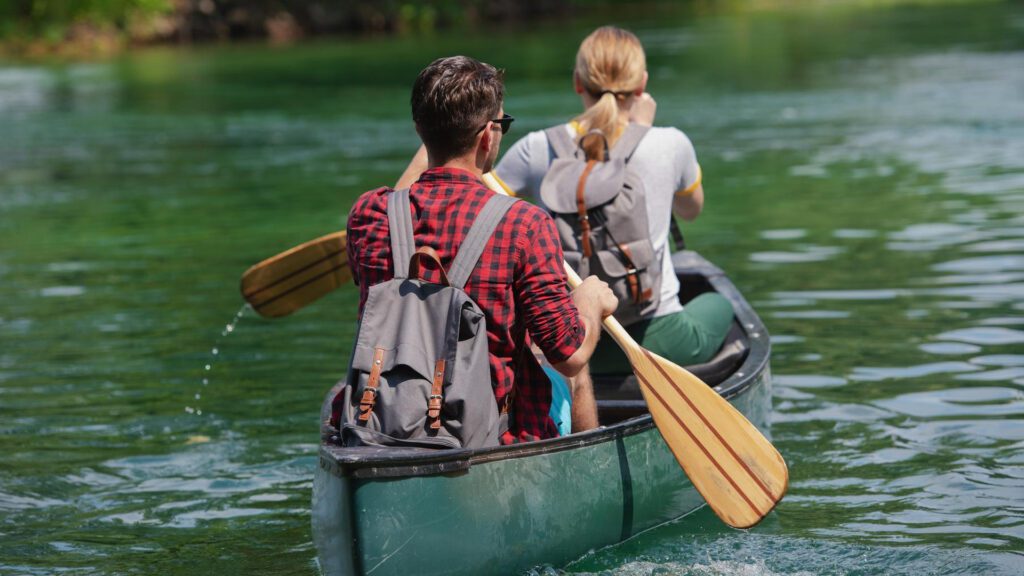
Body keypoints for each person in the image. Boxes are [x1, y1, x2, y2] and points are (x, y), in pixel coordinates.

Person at [347, 55, 616, 443]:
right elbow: (568, 354)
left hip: (382, 426)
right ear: (488, 136)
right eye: (502, 125)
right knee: (571, 362)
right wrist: (588, 301)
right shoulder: (525, 224)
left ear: (419, 131)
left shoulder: (368, 215)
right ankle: (592, 468)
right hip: (493, 439)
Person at [493, 26, 734, 373]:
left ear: (578, 82)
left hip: (566, 345)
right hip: (655, 338)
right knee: (720, 303)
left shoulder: (536, 148)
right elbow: (691, 210)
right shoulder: (669, 143)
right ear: (642, 85)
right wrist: (643, 131)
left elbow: (483, 214)